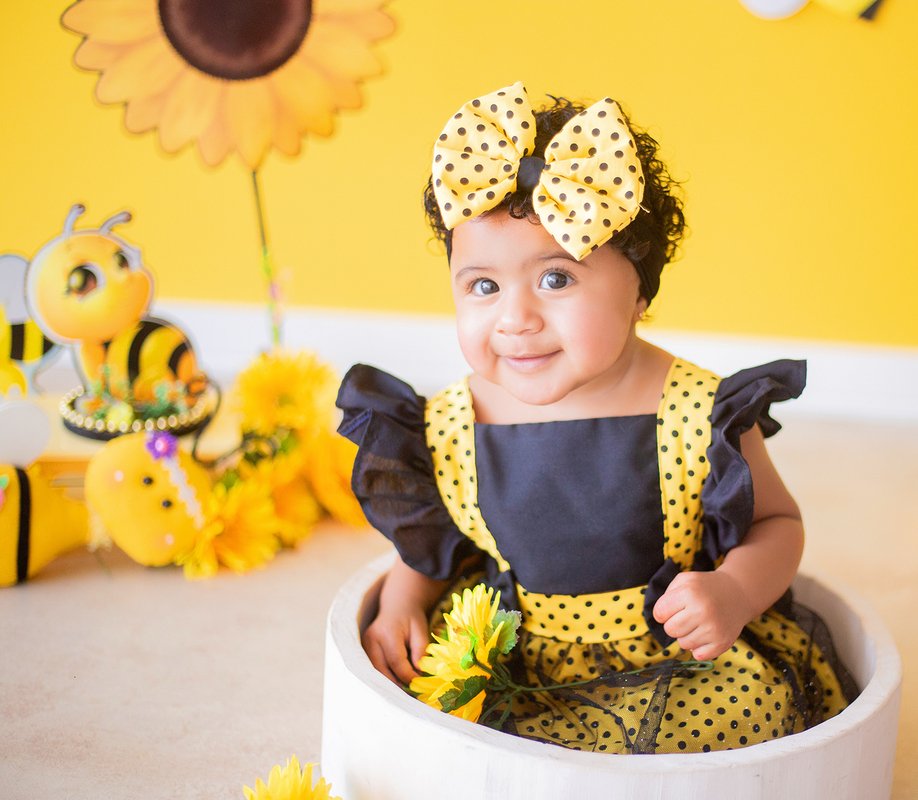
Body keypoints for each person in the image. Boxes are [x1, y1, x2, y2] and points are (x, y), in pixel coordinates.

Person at [336, 82, 858, 753]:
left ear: (640, 287)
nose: (516, 318)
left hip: (671, 659)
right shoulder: (447, 422)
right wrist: (405, 599)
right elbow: (441, 545)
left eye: (556, 279)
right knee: (434, 726)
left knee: (746, 715)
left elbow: (777, 525)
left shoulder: (700, 411)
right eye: (483, 286)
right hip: (515, 652)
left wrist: (733, 592)